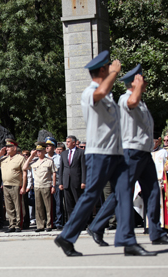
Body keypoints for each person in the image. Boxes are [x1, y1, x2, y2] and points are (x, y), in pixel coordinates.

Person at [55, 50, 153, 257]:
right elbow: (98, 93)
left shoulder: (108, 96)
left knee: (124, 192)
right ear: (102, 70)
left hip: (116, 154)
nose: (112, 70)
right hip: (99, 154)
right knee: (91, 195)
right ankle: (66, 236)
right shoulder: (90, 92)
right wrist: (115, 73)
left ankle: (128, 241)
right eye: (108, 67)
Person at [87, 64, 168, 247]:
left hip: (144, 153)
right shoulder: (125, 98)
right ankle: (97, 225)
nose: (145, 83)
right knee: (122, 192)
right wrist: (136, 87)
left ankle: (156, 232)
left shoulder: (141, 102)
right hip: (130, 152)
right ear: (134, 82)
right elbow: (132, 103)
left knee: (152, 190)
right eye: (142, 79)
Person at [0, 138, 26, 232]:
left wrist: (23, 186)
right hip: (6, 185)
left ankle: (18, 225)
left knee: (18, 206)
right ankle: (12, 225)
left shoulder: (20, 158)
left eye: (9, 147)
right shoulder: (4, 158)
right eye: (6, 147)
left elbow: (24, 173)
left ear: (14, 148)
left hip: (16, 185)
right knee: (9, 206)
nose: (6, 149)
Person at [24, 142, 56, 233]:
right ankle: (40, 225)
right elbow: (25, 167)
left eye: (40, 151)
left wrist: (53, 185)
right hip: (37, 186)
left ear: (44, 151)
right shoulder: (34, 161)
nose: (38, 153)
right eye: (37, 151)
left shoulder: (49, 161)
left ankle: (49, 224)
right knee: (38, 207)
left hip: (46, 185)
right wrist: (31, 156)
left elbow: (54, 173)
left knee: (48, 207)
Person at [58, 135, 86, 223]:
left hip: (76, 181)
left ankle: (81, 222)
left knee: (78, 202)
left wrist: (83, 181)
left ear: (74, 143)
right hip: (66, 182)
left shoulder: (80, 152)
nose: (67, 143)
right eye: (66, 142)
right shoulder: (64, 153)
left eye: (68, 142)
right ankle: (71, 222)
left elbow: (83, 168)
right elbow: (61, 169)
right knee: (68, 204)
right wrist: (61, 183)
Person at [46, 137, 64, 230]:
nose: (47, 147)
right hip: (46, 183)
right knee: (49, 204)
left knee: (58, 203)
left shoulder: (59, 158)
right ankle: (50, 222)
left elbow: (61, 171)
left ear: (54, 147)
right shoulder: (43, 157)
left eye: (49, 146)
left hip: (56, 182)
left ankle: (59, 222)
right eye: (46, 146)